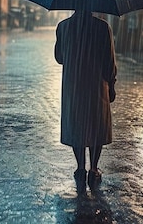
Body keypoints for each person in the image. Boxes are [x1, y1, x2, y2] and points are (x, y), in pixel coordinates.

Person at [54, 10, 117, 189]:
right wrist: (111, 85)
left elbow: (59, 58)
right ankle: (94, 169)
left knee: (77, 125)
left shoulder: (63, 27)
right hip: (96, 85)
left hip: (73, 86)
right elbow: (109, 62)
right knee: (96, 125)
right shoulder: (103, 28)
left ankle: (80, 168)